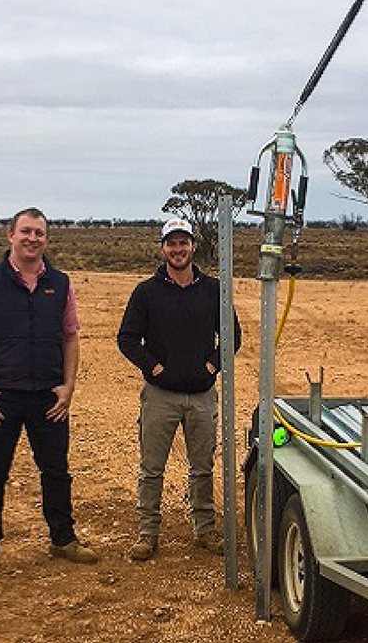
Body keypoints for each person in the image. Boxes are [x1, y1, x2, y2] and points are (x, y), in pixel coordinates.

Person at [0, 207, 98, 578]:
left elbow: (70, 336)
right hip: (0, 398)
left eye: (39, 233)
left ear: (46, 239)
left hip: (48, 397)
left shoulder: (61, 284)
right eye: (26, 232)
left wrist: (68, 388)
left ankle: (63, 540)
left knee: (56, 471)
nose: (32, 239)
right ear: (11, 235)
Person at [117, 217, 242, 561]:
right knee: (151, 467)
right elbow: (127, 339)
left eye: (183, 242)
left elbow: (233, 336)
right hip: (160, 397)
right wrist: (154, 366)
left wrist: (212, 365)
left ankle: (204, 530)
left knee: (202, 466)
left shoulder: (213, 290)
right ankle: (148, 533)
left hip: (202, 395)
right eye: (171, 243)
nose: (177, 249)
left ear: (193, 246)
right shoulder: (146, 292)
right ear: (163, 249)